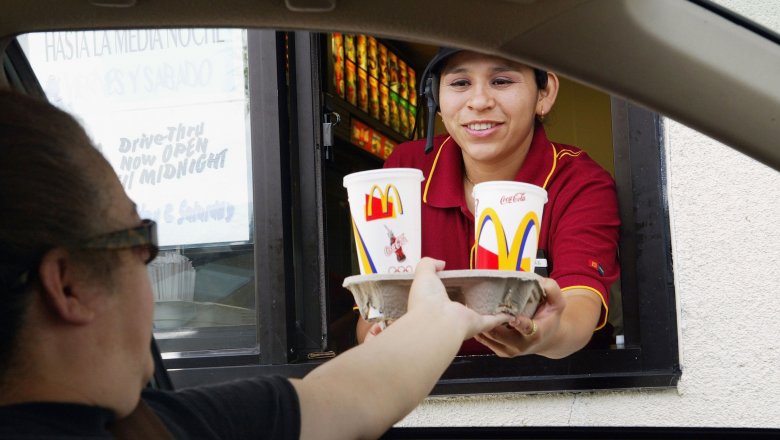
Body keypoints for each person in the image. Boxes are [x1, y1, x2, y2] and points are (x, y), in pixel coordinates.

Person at [0, 90, 511, 439]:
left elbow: (360, 390)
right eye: (140, 238)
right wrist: (443, 312)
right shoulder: (173, 426)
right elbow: (354, 400)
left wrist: (437, 317)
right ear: (68, 286)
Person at [357, 48, 620, 359]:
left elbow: (579, 311)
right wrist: (379, 342)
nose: (479, 101)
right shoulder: (407, 170)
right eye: (459, 83)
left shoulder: (580, 182)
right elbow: (372, 314)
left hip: (556, 391)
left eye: (501, 81)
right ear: (434, 97)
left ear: (544, 93)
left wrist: (544, 335)